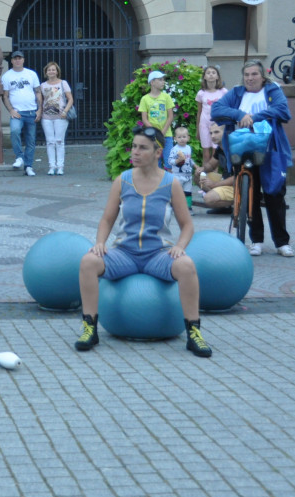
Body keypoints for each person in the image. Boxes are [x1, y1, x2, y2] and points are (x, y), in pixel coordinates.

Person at [74, 125, 212, 357]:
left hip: (157, 255)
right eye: (134, 147)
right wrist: (100, 243)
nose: (135, 153)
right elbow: (107, 219)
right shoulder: (123, 180)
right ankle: (90, 329)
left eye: (142, 148)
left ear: (158, 153)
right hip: (124, 254)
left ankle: (193, 333)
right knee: (88, 262)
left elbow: (187, 225)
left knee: (186, 266)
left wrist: (179, 247)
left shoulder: (171, 184)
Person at [212, 60, 295, 257]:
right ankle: (256, 240)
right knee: (249, 194)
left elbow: (283, 110)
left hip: (269, 149)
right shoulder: (237, 92)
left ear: (262, 76)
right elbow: (216, 110)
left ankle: (282, 242)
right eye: (247, 75)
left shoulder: (272, 90)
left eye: (254, 74)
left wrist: (255, 117)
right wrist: (241, 114)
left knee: (275, 195)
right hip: (242, 148)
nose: (250, 78)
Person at [1, 50, 42, 176]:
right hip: (17, 112)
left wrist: (39, 110)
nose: (17, 60)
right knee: (14, 131)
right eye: (15, 58)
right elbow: (5, 96)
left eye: (20, 58)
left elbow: (38, 92)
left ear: (23, 60)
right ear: (12, 61)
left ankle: (28, 166)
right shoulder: (7, 76)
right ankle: (19, 157)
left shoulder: (31, 74)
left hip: (31, 111)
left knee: (31, 140)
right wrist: (11, 110)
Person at [39, 61, 72, 176]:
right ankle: (51, 166)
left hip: (60, 117)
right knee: (50, 142)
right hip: (46, 117)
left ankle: (60, 166)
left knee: (59, 141)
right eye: (49, 70)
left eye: (53, 69)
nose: (51, 71)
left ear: (57, 71)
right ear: (46, 72)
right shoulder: (43, 86)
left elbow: (70, 99)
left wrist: (65, 111)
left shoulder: (63, 83)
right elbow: (41, 101)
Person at [138, 70, 174, 169]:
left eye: (163, 80)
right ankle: (156, 184)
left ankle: (169, 183)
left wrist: (163, 132)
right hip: (153, 137)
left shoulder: (166, 97)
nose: (163, 82)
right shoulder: (145, 99)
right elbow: (144, 119)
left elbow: (170, 116)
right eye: (160, 80)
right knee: (155, 162)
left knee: (169, 162)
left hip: (167, 135)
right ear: (152, 82)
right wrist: (156, 132)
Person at [195, 122, 234, 211]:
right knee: (198, 177)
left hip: (237, 186)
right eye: (211, 133)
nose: (212, 136)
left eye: (216, 132)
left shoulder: (233, 148)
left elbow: (237, 177)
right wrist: (202, 169)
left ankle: (238, 204)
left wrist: (215, 184)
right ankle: (221, 204)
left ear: (225, 132)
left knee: (208, 199)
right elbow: (211, 165)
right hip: (226, 181)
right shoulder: (220, 148)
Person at [195, 66, 227, 168]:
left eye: (213, 72)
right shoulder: (201, 93)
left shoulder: (223, 92)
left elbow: (227, 109)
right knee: (206, 153)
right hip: (204, 124)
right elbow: (199, 112)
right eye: (208, 73)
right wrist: (197, 130)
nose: (211, 74)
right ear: (204, 77)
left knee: (215, 152)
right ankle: (204, 177)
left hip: (217, 125)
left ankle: (214, 178)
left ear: (217, 76)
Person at [168, 126, 194, 211]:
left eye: (184, 137)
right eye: (179, 137)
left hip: (188, 174)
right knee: (176, 192)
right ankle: (174, 207)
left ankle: (188, 208)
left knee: (188, 192)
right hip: (177, 175)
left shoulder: (188, 148)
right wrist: (177, 160)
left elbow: (189, 160)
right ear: (175, 138)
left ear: (188, 138)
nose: (182, 139)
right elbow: (170, 161)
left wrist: (196, 166)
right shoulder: (174, 149)